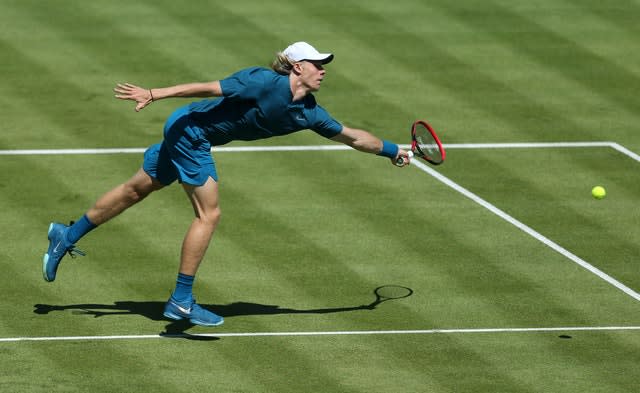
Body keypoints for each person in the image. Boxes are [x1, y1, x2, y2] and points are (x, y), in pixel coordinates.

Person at [43, 41, 411, 327]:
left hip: (188, 133)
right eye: (318, 64)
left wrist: (394, 150)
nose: (324, 71)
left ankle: (66, 235)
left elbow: (352, 137)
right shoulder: (261, 81)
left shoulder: (309, 112)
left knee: (136, 190)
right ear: (298, 67)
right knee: (209, 214)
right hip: (191, 134)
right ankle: (181, 300)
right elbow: (206, 88)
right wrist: (154, 93)